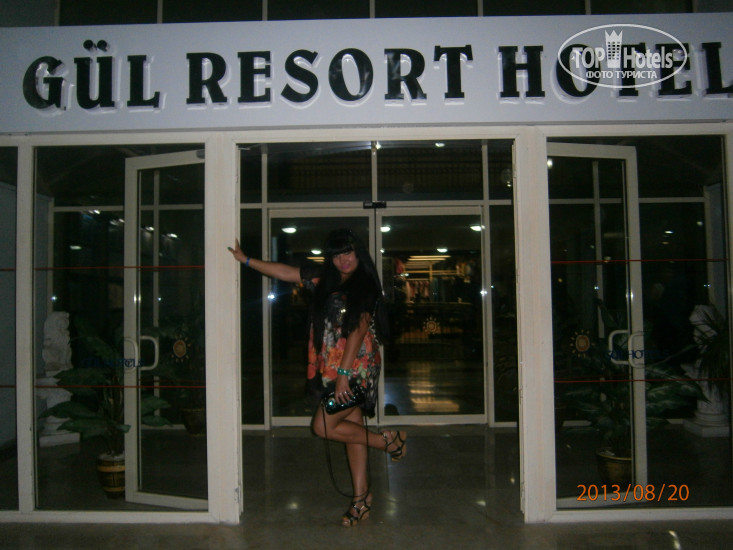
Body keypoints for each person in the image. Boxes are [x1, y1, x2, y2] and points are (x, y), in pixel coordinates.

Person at [229, 228, 406, 527]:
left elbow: (358, 330)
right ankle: (361, 499)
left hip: (356, 370)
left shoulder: (365, 284)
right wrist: (247, 260)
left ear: (358, 252)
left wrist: (343, 376)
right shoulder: (325, 279)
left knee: (323, 425)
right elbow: (286, 272)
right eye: (336, 255)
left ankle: (389, 442)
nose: (343, 259)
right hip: (334, 369)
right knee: (351, 430)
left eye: (347, 252)